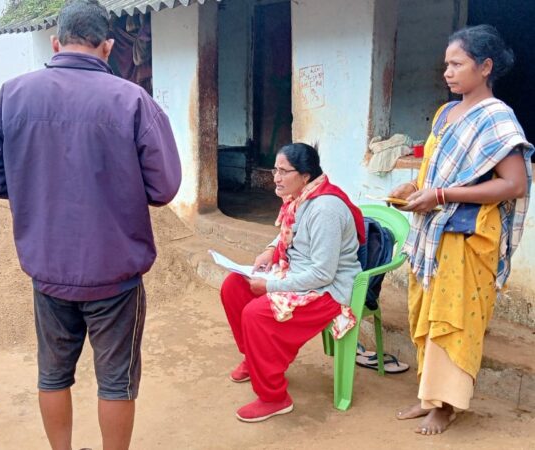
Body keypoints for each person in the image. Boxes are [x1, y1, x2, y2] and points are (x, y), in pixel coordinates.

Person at [0, 1, 181, 448]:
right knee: (116, 382)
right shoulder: (133, 100)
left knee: (52, 375)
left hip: (48, 271)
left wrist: (39, 184)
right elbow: (165, 188)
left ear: (55, 42)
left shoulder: (10, 96)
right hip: (115, 274)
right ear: (107, 46)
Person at [390, 25, 533, 435]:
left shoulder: (497, 118)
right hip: (431, 233)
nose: (448, 72)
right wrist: (414, 187)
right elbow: (435, 171)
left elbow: (515, 184)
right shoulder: (445, 113)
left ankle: (446, 406)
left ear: (485, 67)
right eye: (446, 65)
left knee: (455, 320)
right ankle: (428, 396)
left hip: (467, 236)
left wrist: (440, 195)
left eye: (457, 64)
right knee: (428, 314)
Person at [220, 143, 365, 422]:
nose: (276, 177)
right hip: (297, 273)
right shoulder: (300, 197)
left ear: (306, 176)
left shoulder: (325, 209)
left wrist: (270, 287)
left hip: (327, 290)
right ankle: (254, 359)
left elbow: (323, 274)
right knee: (233, 286)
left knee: (256, 313)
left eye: (284, 171)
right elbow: (289, 231)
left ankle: (275, 398)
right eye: (276, 169)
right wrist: (269, 249)